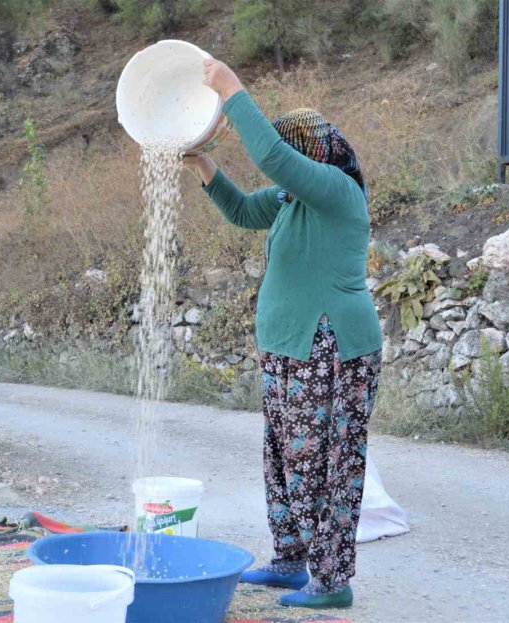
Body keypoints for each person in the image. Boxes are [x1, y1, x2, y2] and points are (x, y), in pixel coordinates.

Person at [185, 59, 383, 610]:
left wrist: (229, 88)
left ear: (314, 153)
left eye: (294, 154)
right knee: (284, 458)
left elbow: (272, 155)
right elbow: (243, 209)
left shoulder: (336, 191)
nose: (285, 167)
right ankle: (293, 561)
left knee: (325, 465)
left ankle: (332, 581)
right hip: (288, 351)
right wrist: (202, 162)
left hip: (332, 350)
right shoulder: (291, 200)